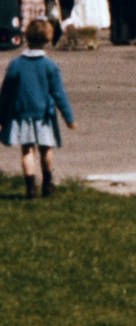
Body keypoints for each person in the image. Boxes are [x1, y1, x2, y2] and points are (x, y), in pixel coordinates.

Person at [0, 20, 76, 198]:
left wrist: (1, 118)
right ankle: (48, 183)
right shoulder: (50, 66)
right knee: (46, 149)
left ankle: (30, 187)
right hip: (44, 116)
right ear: (48, 39)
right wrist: (69, 118)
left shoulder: (16, 64)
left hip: (22, 115)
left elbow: (6, 94)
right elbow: (59, 95)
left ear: (26, 37)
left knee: (27, 150)